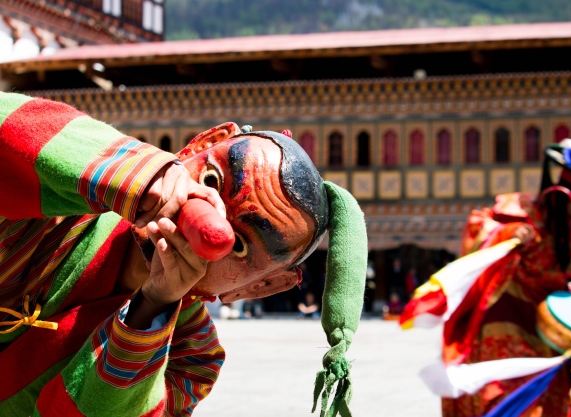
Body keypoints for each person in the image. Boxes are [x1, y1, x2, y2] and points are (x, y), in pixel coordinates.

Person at [0, 92, 367, 416]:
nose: (209, 220)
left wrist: (151, 307)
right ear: (201, 144)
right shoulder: (62, 188)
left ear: (260, 287)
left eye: (239, 245)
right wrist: (140, 172)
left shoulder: (192, 360)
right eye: (211, 181)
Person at [440, 59, 571, 417]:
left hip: (555, 331)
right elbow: (479, 231)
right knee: (508, 403)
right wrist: (510, 234)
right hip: (511, 322)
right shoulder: (523, 209)